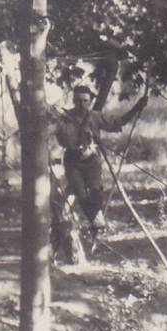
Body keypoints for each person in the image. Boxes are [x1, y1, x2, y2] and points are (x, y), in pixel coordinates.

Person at [54, 84, 147, 232]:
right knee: (81, 193)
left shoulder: (95, 117)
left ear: (90, 101)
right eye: (78, 101)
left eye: (85, 101)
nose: (82, 104)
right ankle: (96, 222)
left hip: (92, 161)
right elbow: (56, 134)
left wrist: (137, 107)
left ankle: (96, 223)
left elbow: (118, 122)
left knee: (96, 191)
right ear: (73, 100)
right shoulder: (64, 118)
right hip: (73, 161)